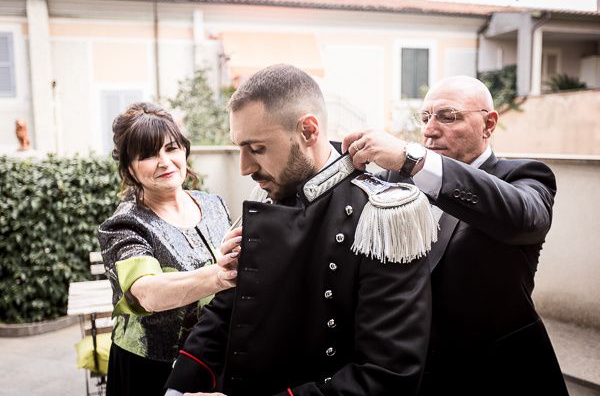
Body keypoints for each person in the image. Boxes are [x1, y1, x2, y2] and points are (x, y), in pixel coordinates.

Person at [164, 64, 436, 395]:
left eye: (258, 148)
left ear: (308, 130)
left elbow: (386, 376)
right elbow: (230, 309)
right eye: (240, 148)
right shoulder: (268, 193)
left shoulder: (385, 215)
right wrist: (179, 387)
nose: (245, 167)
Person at [343, 76, 568, 395]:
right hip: (410, 374)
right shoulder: (394, 180)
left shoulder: (525, 177)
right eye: (425, 117)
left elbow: (523, 217)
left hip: (498, 374)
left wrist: (415, 160)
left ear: (489, 124)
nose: (430, 130)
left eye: (448, 117)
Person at [97, 102, 241, 396]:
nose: (164, 161)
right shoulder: (124, 225)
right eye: (148, 155)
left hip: (213, 357)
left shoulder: (214, 206)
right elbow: (148, 293)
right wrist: (220, 275)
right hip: (148, 370)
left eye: (171, 148)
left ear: (185, 152)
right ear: (129, 168)